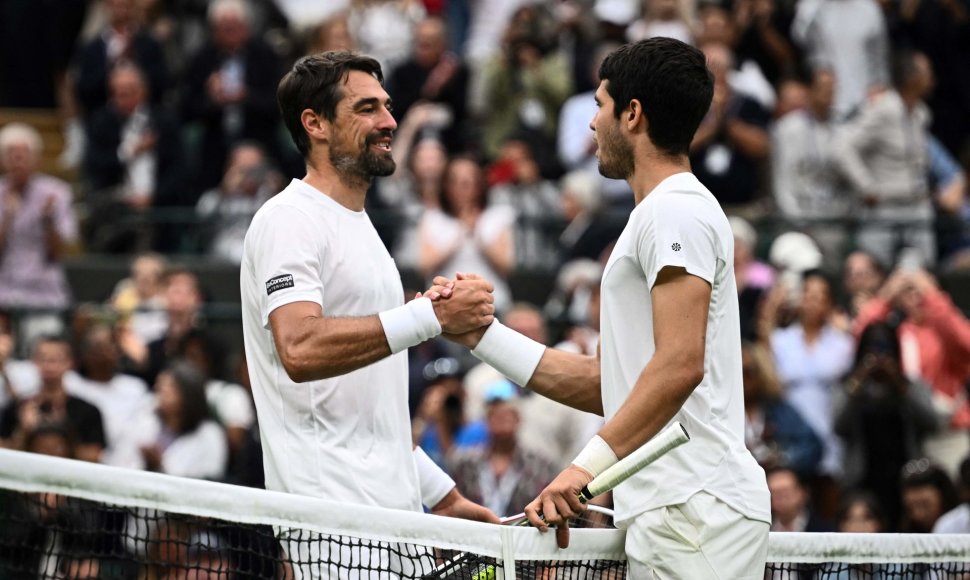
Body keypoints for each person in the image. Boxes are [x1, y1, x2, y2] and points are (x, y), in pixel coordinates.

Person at [432, 38, 770, 576]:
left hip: (695, 511)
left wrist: (580, 472)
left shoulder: (674, 211)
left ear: (632, 115)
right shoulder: (659, 214)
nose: (592, 124)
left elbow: (680, 364)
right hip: (678, 512)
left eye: (599, 105)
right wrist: (481, 335)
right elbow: (609, 385)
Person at [239, 51, 498, 571]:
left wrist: (439, 493)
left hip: (395, 520)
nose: (389, 122)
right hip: (335, 526)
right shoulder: (287, 220)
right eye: (366, 108)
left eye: (386, 105)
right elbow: (300, 347)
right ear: (314, 124)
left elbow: (365, 410)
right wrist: (431, 319)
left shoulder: (362, 226)